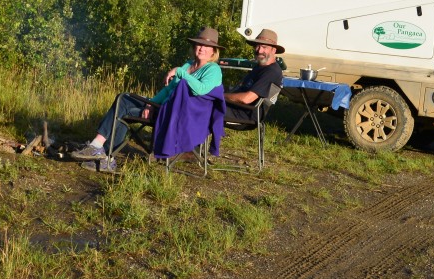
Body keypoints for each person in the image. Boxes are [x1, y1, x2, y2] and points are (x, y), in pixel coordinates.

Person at [72, 27, 224, 171]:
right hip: (164, 107)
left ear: (213, 51)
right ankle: (99, 148)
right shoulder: (188, 65)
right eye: (199, 44)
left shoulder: (213, 70)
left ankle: (105, 155)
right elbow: (168, 90)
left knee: (125, 110)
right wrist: (151, 104)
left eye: (207, 46)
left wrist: (180, 72)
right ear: (194, 46)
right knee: (123, 98)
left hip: (180, 116)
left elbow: (201, 90)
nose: (202, 48)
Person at [224, 28, 285, 123]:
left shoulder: (271, 71)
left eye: (264, 47)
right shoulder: (260, 67)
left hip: (245, 114)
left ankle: (199, 136)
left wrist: (221, 95)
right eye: (257, 46)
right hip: (237, 108)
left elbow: (247, 99)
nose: (259, 50)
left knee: (203, 106)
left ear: (273, 50)